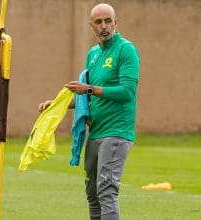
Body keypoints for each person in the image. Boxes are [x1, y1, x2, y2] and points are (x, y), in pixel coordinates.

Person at [39, 3, 140, 220]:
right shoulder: (93, 54)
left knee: (106, 191)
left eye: (108, 21)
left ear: (116, 23)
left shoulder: (126, 49)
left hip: (116, 133)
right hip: (95, 133)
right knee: (93, 194)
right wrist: (58, 104)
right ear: (91, 25)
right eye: (98, 22)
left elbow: (127, 92)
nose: (104, 26)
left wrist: (89, 89)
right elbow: (86, 97)